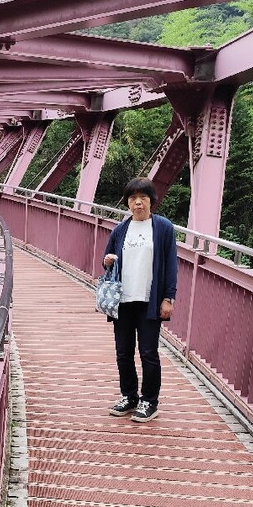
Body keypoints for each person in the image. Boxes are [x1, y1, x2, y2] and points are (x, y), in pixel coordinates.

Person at [101, 177, 178, 422]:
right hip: (122, 301)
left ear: (151, 200)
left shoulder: (163, 227)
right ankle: (129, 396)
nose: (138, 203)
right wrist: (107, 261)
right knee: (123, 353)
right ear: (127, 202)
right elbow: (107, 259)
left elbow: (171, 264)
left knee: (148, 353)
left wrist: (168, 297)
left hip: (148, 301)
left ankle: (149, 401)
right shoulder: (120, 230)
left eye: (143, 197)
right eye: (133, 198)